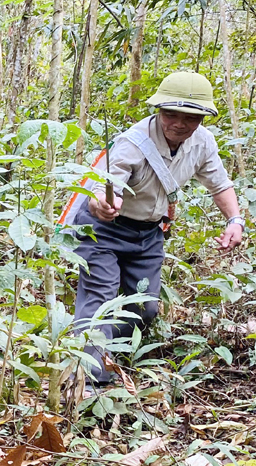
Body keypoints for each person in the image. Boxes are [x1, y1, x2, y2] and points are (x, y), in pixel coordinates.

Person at [71, 72, 243, 393]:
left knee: (144, 306)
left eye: (190, 117)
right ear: (158, 111)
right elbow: (101, 190)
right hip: (104, 229)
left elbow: (219, 183)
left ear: (203, 117)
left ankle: (113, 357)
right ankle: (90, 381)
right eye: (170, 114)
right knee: (99, 300)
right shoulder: (131, 143)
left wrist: (235, 220)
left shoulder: (202, 142)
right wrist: (105, 204)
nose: (179, 123)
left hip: (149, 233)